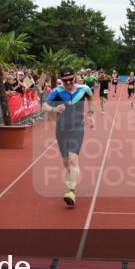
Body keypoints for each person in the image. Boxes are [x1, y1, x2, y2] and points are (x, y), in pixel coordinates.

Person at [43, 67, 95, 208]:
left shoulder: (84, 89)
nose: (67, 83)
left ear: (75, 78)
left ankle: (71, 191)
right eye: (64, 81)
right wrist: (53, 109)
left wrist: (90, 114)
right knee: (66, 163)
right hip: (61, 130)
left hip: (77, 128)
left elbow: (90, 97)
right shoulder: (57, 91)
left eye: (70, 80)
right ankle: (72, 182)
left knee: (73, 159)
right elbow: (44, 105)